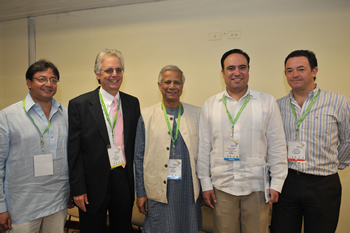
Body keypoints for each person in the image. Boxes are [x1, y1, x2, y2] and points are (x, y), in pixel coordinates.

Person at [197, 49, 288, 233]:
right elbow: (204, 148)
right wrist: (205, 184)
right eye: (231, 68)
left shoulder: (267, 102)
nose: (237, 72)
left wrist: (277, 183)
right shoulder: (210, 105)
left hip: (256, 189)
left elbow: (277, 146)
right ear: (222, 73)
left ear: (248, 70)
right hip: (222, 189)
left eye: (242, 67)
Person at [270, 50, 350, 233]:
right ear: (285, 75)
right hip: (287, 182)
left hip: (323, 185)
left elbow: (348, 140)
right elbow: (272, 144)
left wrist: (334, 164)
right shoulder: (277, 106)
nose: (295, 75)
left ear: (314, 71)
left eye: (301, 69)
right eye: (289, 70)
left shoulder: (339, 102)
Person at [68, 49, 140, 232]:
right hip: (92, 185)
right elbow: (74, 151)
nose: (114, 75)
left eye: (119, 70)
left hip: (123, 180)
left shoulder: (132, 103)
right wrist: (77, 189)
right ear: (98, 74)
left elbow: (135, 147)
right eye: (109, 70)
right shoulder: (80, 105)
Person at [0, 60, 70, 232]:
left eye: (53, 80)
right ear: (29, 83)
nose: (48, 84)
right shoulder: (7, 117)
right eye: (42, 79)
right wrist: (1, 207)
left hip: (57, 202)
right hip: (22, 206)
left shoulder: (67, 115)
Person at [134, 65, 202, 232]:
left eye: (177, 82)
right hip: (158, 190)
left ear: (182, 87)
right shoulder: (146, 116)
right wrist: (141, 193)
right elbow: (138, 157)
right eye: (167, 82)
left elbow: (205, 154)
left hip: (187, 189)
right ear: (159, 85)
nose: (172, 86)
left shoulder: (197, 114)